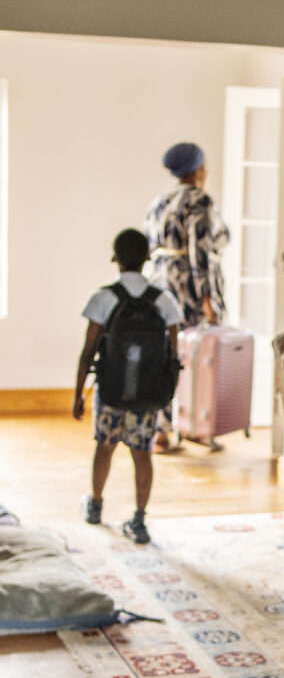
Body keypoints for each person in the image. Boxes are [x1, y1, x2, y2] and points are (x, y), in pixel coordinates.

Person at [73, 228, 182, 544]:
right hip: (148, 394)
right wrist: (167, 395)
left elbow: (88, 350)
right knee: (142, 453)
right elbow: (173, 356)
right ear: (147, 258)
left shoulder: (103, 298)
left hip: (111, 392)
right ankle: (139, 519)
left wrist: (78, 393)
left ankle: (95, 505)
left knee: (104, 447)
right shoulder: (163, 300)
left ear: (115, 258)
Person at [145, 141, 229, 451]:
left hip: (159, 287)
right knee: (198, 359)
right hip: (188, 291)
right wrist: (208, 299)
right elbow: (200, 252)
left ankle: (160, 430)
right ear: (199, 169)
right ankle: (196, 427)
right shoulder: (199, 201)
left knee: (164, 356)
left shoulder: (158, 202)